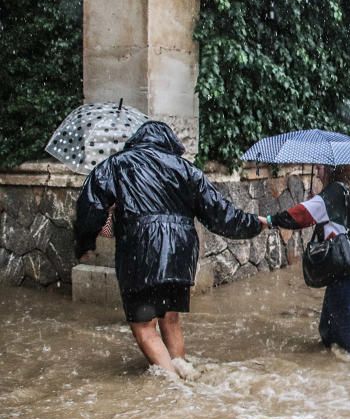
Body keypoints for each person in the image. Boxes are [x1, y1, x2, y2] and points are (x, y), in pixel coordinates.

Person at [74, 121, 263, 379]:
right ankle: (185, 369)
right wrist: (253, 224)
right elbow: (219, 212)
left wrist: (85, 244)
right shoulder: (186, 169)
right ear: (170, 142)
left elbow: (90, 207)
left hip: (140, 253)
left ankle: (174, 388)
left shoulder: (116, 164)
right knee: (170, 319)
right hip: (179, 255)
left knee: (144, 327)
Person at [263, 165, 350, 356]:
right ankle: (336, 376)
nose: (318, 168)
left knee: (345, 337)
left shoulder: (335, 191)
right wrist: (318, 200)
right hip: (347, 273)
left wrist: (270, 220)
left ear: (332, 169)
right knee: (327, 333)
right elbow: (329, 222)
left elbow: (300, 216)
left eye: (321, 166)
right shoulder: (347, 191)